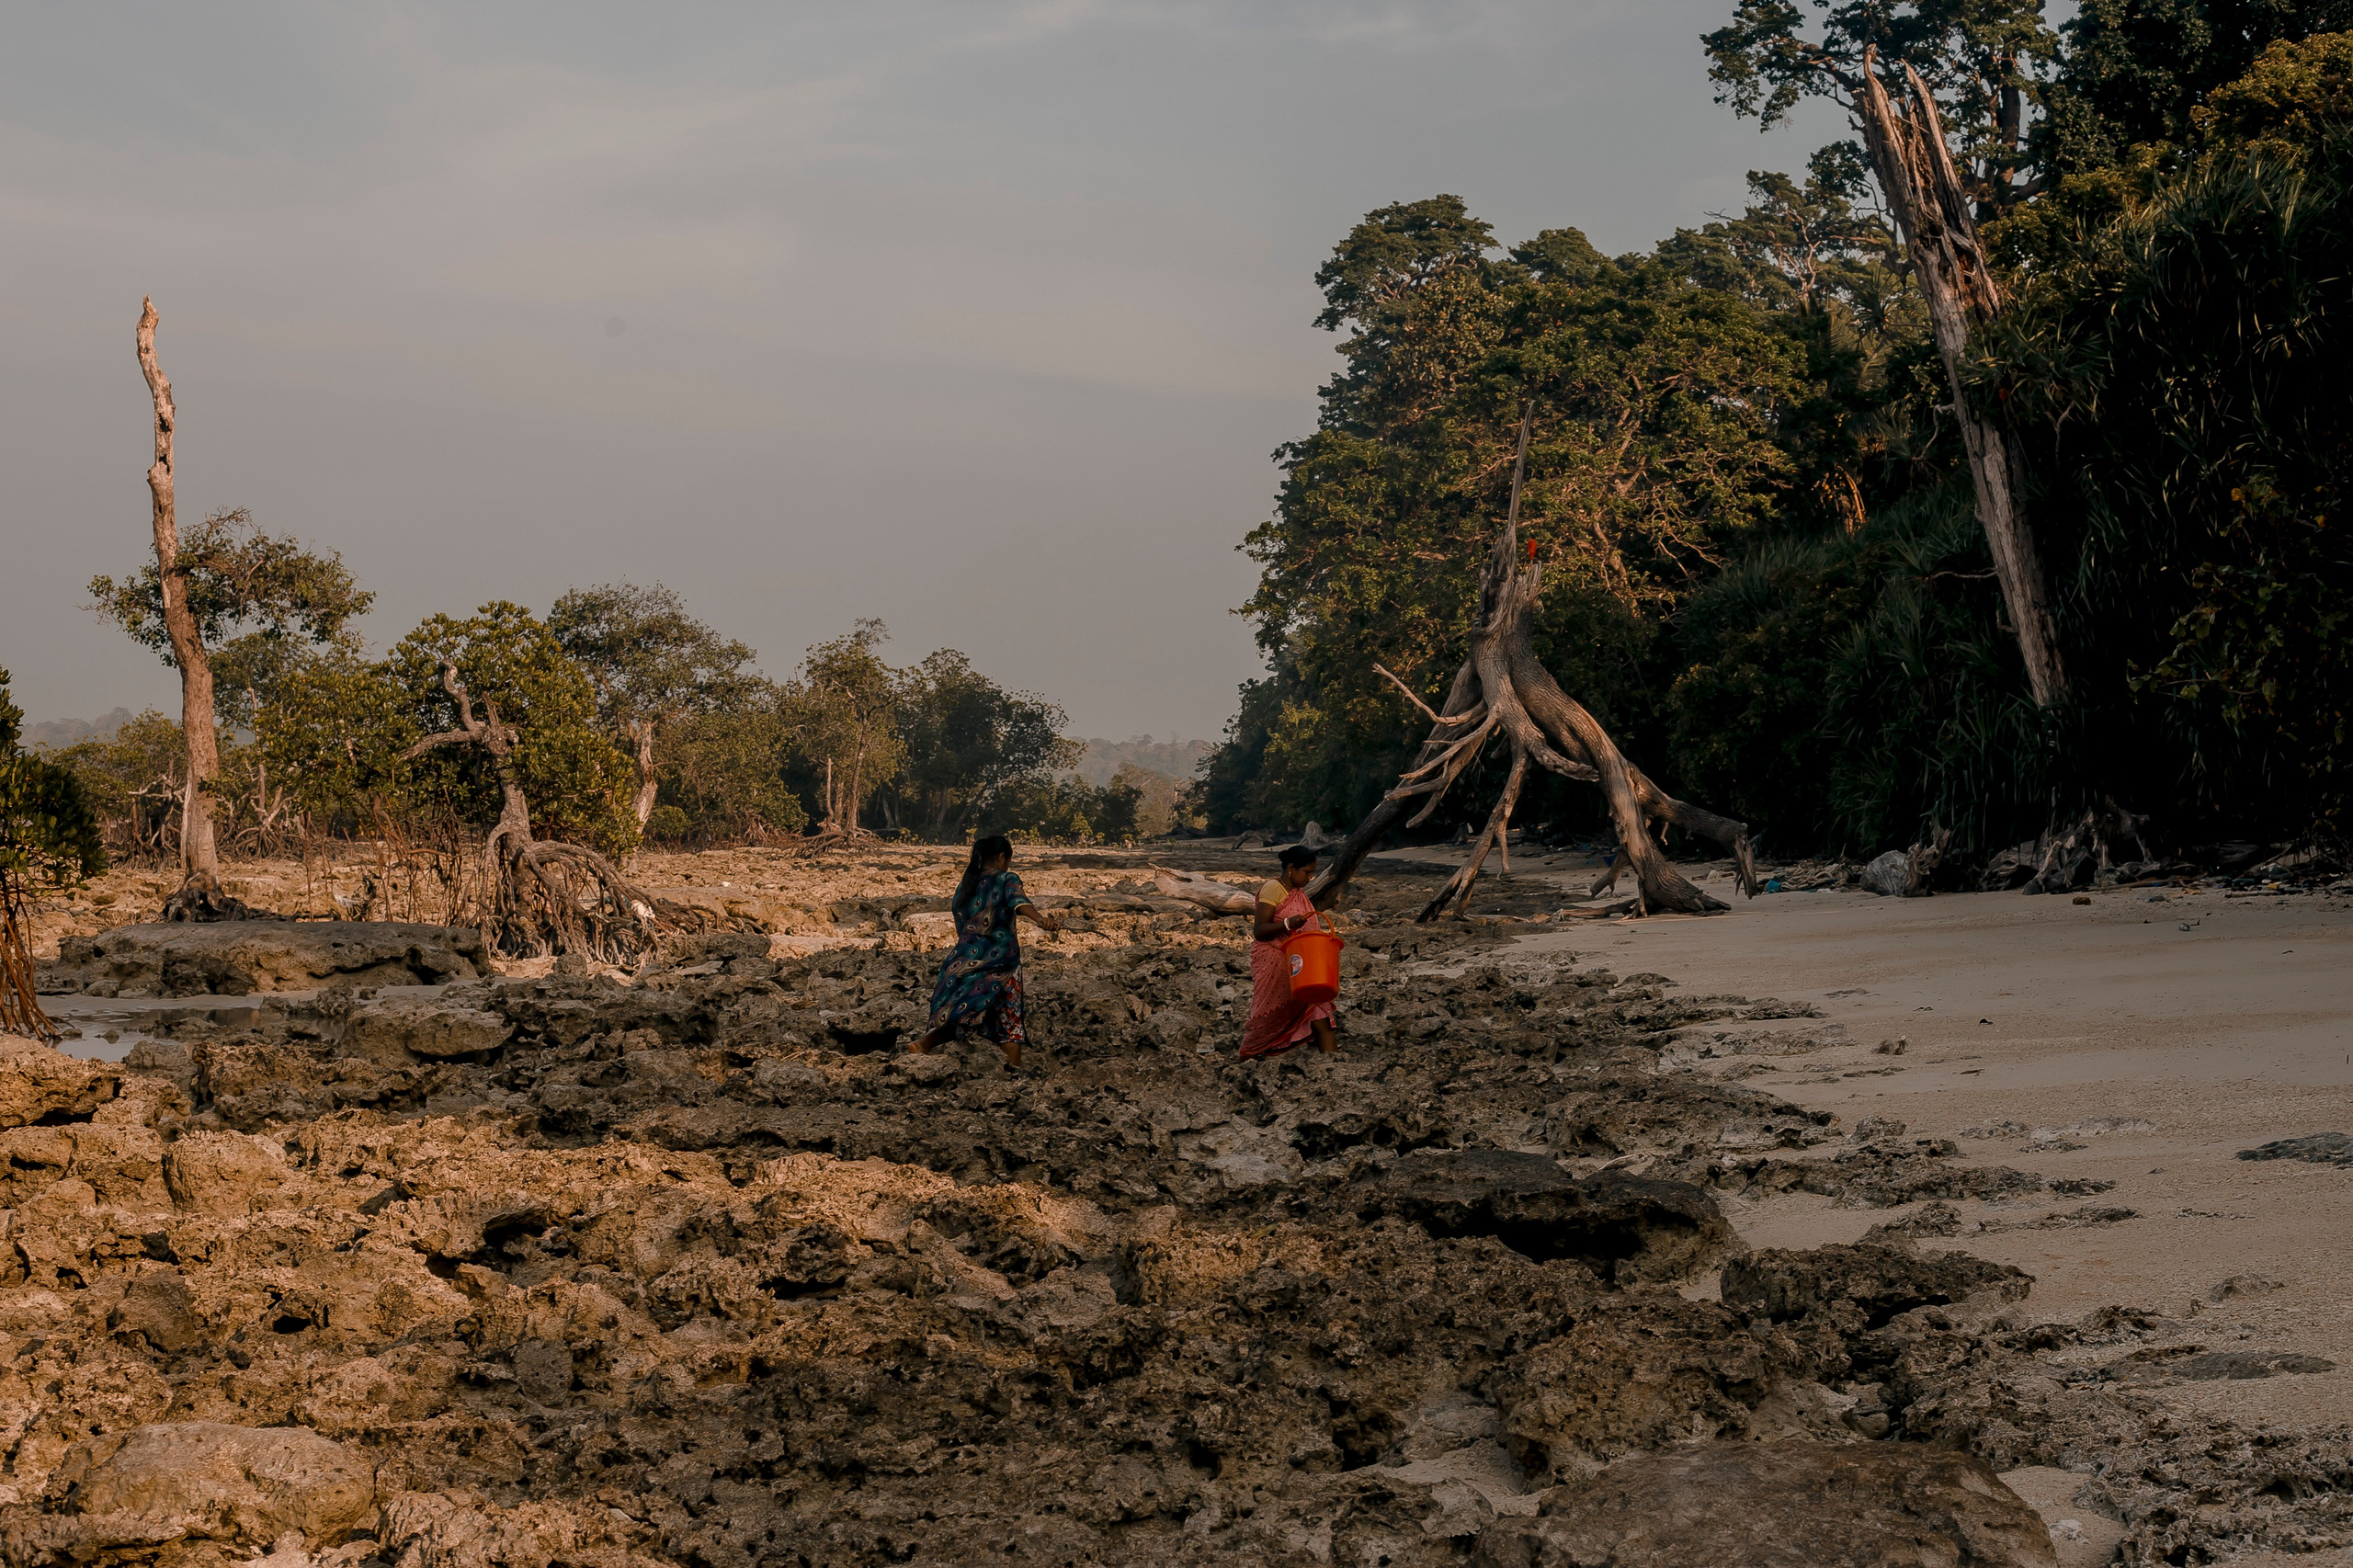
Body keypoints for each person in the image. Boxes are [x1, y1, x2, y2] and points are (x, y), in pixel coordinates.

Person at [907, 835, 1060, 1068]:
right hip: (1001, 963)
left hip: (963, 961)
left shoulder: (966, 885)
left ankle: (926, 1044)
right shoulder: (1006, 878)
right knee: (1010, 1020)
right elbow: (1017, 900)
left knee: (969, 1015)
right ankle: (1013, 1072)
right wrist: (1041, 919)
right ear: (1002, 858)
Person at [1242, 844, 1337, 1060]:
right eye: (1307, 872)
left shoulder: (1298, 893)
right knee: (1269, 1015)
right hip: (1273, 959)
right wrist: (1287, 923)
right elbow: (1260, 930)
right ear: (1291, 868)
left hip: (1302, 962)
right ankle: (1250, 1056)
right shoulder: (1273, 889)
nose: (1310, 878)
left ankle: (1333, 1068)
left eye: (1312, 873)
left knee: (1319, 1011)